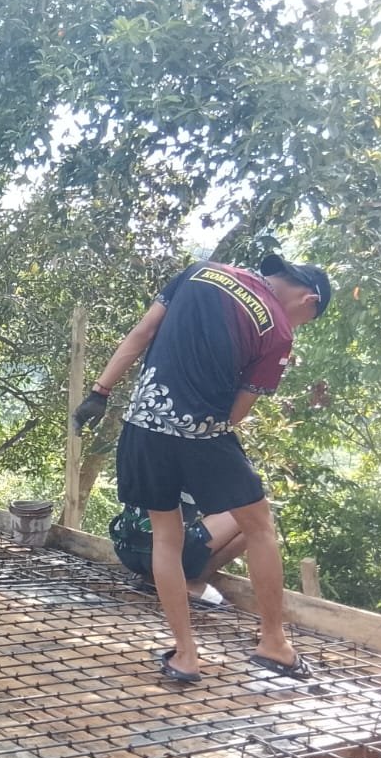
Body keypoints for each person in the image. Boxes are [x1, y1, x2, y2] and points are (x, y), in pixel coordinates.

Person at [73, 253, 331, 683]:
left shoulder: (200, 271)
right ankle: (273, 642)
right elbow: (238, 412)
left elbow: (142, 332)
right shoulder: (280, 331)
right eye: (307, 320)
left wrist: (99, 392)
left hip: (143, 426)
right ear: (309, 300)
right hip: (203, 434)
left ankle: (186, 656)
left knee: (166, 536)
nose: (299, 325)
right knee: (259, 526)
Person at [109, 496, 247, 608]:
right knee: (252, 514)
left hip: (125, 548)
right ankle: (191, 581)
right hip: (167, 555)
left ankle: (153, 577)